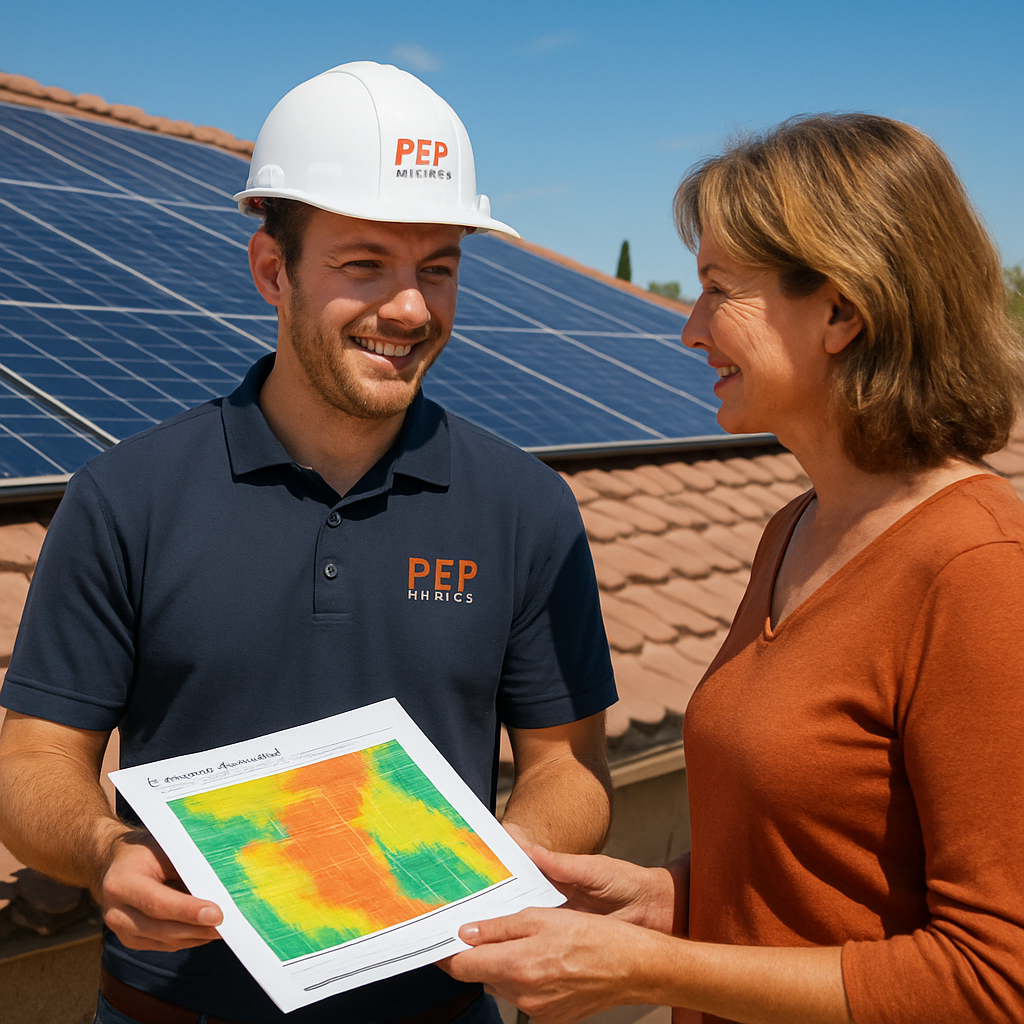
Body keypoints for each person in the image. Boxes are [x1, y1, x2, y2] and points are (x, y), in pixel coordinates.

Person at [0, 62, 616, 1024]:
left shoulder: (526, 508)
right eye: (364, 264)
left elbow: (569, 767)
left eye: (438, 267)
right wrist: (102, 850)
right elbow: (32, 762)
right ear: (271, 271)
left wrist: (498, 868)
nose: (410, 309)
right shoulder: (125, 498)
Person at [441, 113, 1024, 1024]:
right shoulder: (795, 529)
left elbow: (995, 981)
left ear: (842, 310)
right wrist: (669, 899)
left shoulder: (980, 572)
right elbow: (818, 875)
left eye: (718, 290)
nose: (688, 329)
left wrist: (654, 969)